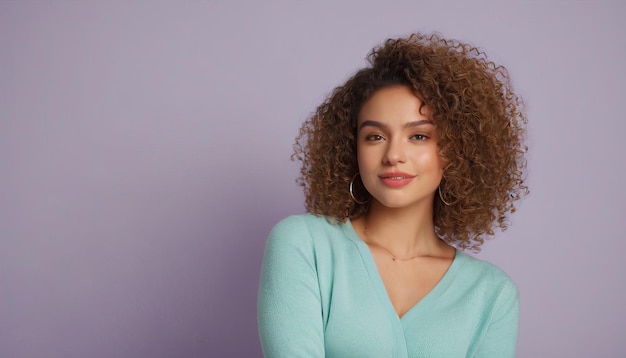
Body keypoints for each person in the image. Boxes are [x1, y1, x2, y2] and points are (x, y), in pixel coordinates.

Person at [257, 32, 528, 358]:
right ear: (351, 148)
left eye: (418, 135)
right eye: (374, 136)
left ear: (457, 149)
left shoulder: (491, 294)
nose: (393, 155)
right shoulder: (303, 246)